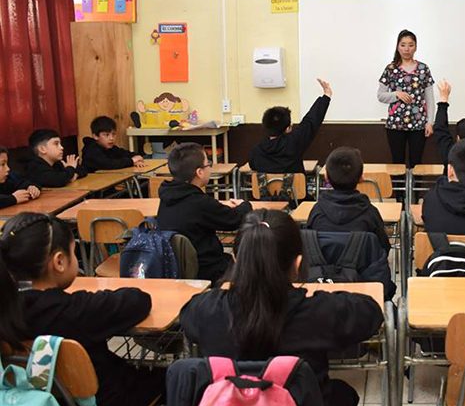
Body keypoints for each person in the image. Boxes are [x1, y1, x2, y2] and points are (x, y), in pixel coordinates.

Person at [180, 209, 383, 406]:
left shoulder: (206, 310)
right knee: (343, 395)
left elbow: (187, 316)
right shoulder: (321, 312)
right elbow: (371, 312)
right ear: (297, 263)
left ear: (236, 259)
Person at [0, 213, 167, 406]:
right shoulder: (73, 311)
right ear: (59, 262)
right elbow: (139, 300)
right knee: (171, 376)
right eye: (74, 252)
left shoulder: (8, 308)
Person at [157, 143, 252, 282]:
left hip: (173, 268)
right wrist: (245, 205)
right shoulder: (199, 203)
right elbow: (234, 220)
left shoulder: (167, 196)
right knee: (251, 267)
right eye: (208, 164)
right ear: (199, 172)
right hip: (206, 271)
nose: (210, 167)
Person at [308, 146, 390, 252]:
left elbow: (308, 248)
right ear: (361, 178)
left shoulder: (316, 212)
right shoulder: (370, 214)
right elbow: (383, 249)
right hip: (361, 268)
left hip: (322, 268)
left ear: (326, 177)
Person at [376, 29, 435, 167]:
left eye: (410, 45)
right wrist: (396, 94)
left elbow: (430, 99)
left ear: (416, 46)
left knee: (417, 164)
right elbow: (380, 95)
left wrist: (430, 122)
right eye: (403, 45)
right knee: (397, 164)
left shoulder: (423, 68)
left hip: (419, 125)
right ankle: (397, 189)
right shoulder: (390, 68)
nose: (407, 49)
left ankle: (415, 189)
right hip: (395, 124)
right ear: (397, 46)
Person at [249, 78, 332, 173]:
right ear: (287, 129)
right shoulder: (294, 142)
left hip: (265, 188)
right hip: (295, 188)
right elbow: (311, 120)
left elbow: (253, 166)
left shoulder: (256, 152)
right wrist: (326, 96)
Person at [81, 115, 145, 172]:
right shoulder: (91, 150)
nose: (111, 138)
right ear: (95, 136)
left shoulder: (111, 148)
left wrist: (137, 159)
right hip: (92, 183)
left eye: (113, 134)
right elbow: (108, 164)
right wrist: (132, 161)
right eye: (106, 135)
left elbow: (125, 153)